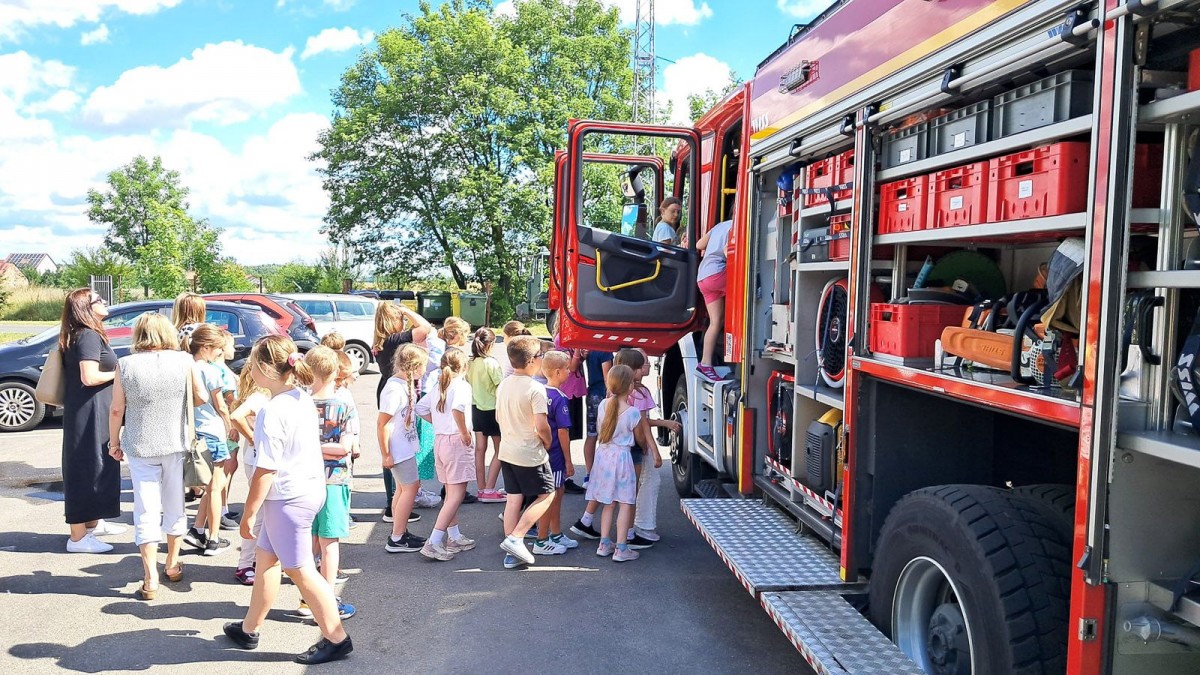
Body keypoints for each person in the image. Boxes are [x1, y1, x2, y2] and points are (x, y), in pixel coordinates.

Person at [222, 336, 352, 665]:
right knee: (266, 560)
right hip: (306, 489)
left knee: (301, 570)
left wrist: (248, 514)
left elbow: (265, 469)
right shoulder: (299, 397)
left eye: (252, 362)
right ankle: (249, 628)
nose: (248, 366)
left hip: (288, 499)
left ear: (265, 368)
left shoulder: (272, 410)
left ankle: (336, 638)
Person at [106, 313, 196, 597]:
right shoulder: (183, 360)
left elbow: (117, 409)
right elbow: (201, 397)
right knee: (175, 504)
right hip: (176, 442)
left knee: (145, 508)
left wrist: (113, 442)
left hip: (140, 444)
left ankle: (150, 578)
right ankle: (171, 563)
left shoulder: (126, 364)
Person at [59, 288, 126, 553]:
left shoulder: (86, 333)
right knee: (85, 469)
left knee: (99, 465)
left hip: (92, 409)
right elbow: (89, 377)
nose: (105, 302)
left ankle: (93, 524)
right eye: (99, 299)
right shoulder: (86, 335)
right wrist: (121, 373)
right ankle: (78, 537)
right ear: (87, 308)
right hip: (88, 412)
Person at [300, 347, 356, 620]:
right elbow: (345, 447)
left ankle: (306, 596)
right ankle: (327, 598)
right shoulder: (343, 405)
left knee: (309, 540)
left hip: (304, 480)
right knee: (329, 542)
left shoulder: (300, 404)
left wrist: (310, 446)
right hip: (334, 480)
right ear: (335, 372)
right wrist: (326, 446)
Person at [495, 335, 557, 569]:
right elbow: (541, 425)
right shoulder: (535, 388)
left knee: (513, 499)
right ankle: (516, 537)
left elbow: (499, 417)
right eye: (540, 356)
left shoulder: (505, 384)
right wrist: (547, 441)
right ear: (532, 361)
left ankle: (512, 553)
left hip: (508, 450)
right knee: (547, 494)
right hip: (529, 452)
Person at [372, 302, 434, 522]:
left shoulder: (380, 341)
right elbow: (425, 327)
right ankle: (394, 505)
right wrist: (407, 310)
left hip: (388, 388)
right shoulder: (395, 340)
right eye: (399, 317)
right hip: (395, 391)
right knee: (396, 449)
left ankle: (394, 501)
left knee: (396, 449)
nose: (404, 321)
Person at [414, 348, 476, 561]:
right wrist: (464, 433)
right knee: (456, 494)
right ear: (464, 366)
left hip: (441, 440)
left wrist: (438, 423)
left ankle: (453, 535)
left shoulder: (439, 386)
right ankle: (434, 540)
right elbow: (458, 410)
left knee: (450, 493)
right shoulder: (462, 386)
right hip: (455, 441)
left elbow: (420, 408)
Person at [585, 365, 650, 562]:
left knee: (608, 503)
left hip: (603, 457)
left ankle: (604, 544)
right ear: (630, 386)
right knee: (625, 503)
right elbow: (640, 438)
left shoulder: (604, 405)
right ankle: (621, 548)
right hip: (622, 459)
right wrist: (646, 447)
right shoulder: (633, 413)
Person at [181, 324, 234, 556]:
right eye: (217, 349)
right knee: (215, 487)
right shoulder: (210, 371)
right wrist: (230, 426)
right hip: (213, 431)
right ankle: (213, 539)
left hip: (193, 432)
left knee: (211, 485)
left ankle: (198, 529)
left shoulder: (186, 367)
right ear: (205, 347)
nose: (219, 354)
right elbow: (221, 404)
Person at [622, 348, 679, 545]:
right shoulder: (640, 392)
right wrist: (652, 449)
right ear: (634, 369)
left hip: (622, 446)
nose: (647, 364)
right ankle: (641, 528)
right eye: (643, 362)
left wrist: (663, 423)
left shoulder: (617, 390)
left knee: (627, 490)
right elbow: (642, 422)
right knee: (646, 483)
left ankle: (627, 531)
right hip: (638, 445)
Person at [378, 344, 429, 553]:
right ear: (414, 366)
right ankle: (397, 538)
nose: (425, 370)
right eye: (423, 366)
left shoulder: (402, 385)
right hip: (397, 448)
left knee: (403, 489)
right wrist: (386, 454)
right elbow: (382, 424)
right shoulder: (394, 389)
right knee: (410, 488)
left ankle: (400, 532)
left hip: (404, 446)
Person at [229, 366, 270, 586]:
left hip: (257, 459)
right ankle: (245, 563)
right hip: (257, 460)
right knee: (259, 513)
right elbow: (236, 416)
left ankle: (255, 559)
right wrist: (253, 438)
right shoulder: (259, 396)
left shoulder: (261, 395)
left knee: (264, 513)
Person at [534, 350, 577, 553]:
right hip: (556, 456)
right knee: (551, 497)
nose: (570, 372)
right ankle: (542, 539)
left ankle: (556, 532)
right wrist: (569, 461)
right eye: (567, 368)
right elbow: (563, 431)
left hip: (541, 453)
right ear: (558, 372)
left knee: (556, 494)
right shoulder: (560, 398)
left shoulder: (539, 392)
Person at [467, 327, 506, 503]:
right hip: (492, 409)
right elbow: (500, 386)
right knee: (500, 449)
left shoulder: (471, 362)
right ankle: (489, 489)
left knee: (480, 449)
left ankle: (481, 488)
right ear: (490, 344)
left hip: (476, 408)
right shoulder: (491, 363)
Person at [696, 218, 734, 380]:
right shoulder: (737, 225)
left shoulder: (719, 226)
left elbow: (699, 245)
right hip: (718, 273)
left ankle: (705, 364)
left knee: (716, 322)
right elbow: (728, 251)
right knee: (748, 291)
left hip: (703, 276)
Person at [215, 330, 241, 532]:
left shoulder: (221, 368)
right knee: (227, 466)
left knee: (228, 466)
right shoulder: (222, 372)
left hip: (221, 424)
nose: (235, 349)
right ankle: (221, 510)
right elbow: (229, 400)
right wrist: (233, 425)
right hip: (226, 425)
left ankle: (223, 507)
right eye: (231, 345)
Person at [581, 348, 613, 485]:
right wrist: (611, 396)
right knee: (606, 436)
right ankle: (604, 475)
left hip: (592, 392)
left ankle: (589, 474)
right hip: (602, 394)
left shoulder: (591, 349)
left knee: (591, 434)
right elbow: (607, 376)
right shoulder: (605, 351)